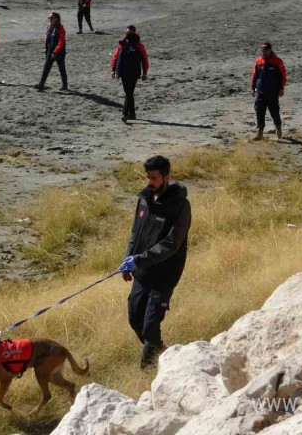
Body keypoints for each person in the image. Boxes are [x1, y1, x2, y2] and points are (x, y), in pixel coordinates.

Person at [119, 155, 191, 369]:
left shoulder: (181, 206)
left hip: (164, 276)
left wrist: (138, 260)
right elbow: (135, 233)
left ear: (166, 177)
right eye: (147, 177)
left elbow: (171, 244)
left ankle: (148, 371)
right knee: (134, 319)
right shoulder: (144, 199)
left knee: (150, 325)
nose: (149, 182)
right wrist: (127, 259)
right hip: (142, 272)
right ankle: (164, 353)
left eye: (154, 178)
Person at [110, 25, 149, 123]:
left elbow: (145, 60)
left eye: (130, 31)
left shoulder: (138, 46)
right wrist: (113, 69)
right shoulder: (122, 45)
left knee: (129, 92)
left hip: (132, 72)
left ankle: (125, 114)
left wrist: (145, 73)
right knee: (129, 92)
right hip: (124, 72)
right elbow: (115, 57)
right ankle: (132, 114)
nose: (129, 33)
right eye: (128, 31)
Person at [251, 42, 287, 140]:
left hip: (272, 92)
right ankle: (260, 133)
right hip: (260, 91)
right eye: (262, 50)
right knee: (259, 111)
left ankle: (278, 128)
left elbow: (282, 76)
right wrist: (252, 88)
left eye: (265, 50)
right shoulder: (259, 61)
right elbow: (254, 76)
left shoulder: (277, 61)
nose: (264, 52)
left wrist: (281, 88)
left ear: (270, 50)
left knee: (274, 111)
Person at [35, 12, 67, 91]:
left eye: (52, 18)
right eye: (50, 19)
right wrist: (46, 49)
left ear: (56, 19)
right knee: (46, 68)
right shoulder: (49, 27)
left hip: (59, 52)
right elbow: (47, 39)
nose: (50, 20)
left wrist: (55, 52)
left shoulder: (61, 29)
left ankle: (65, 85)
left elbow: (61, 42)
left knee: (61, 68)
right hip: (50, 51)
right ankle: (41, 84)